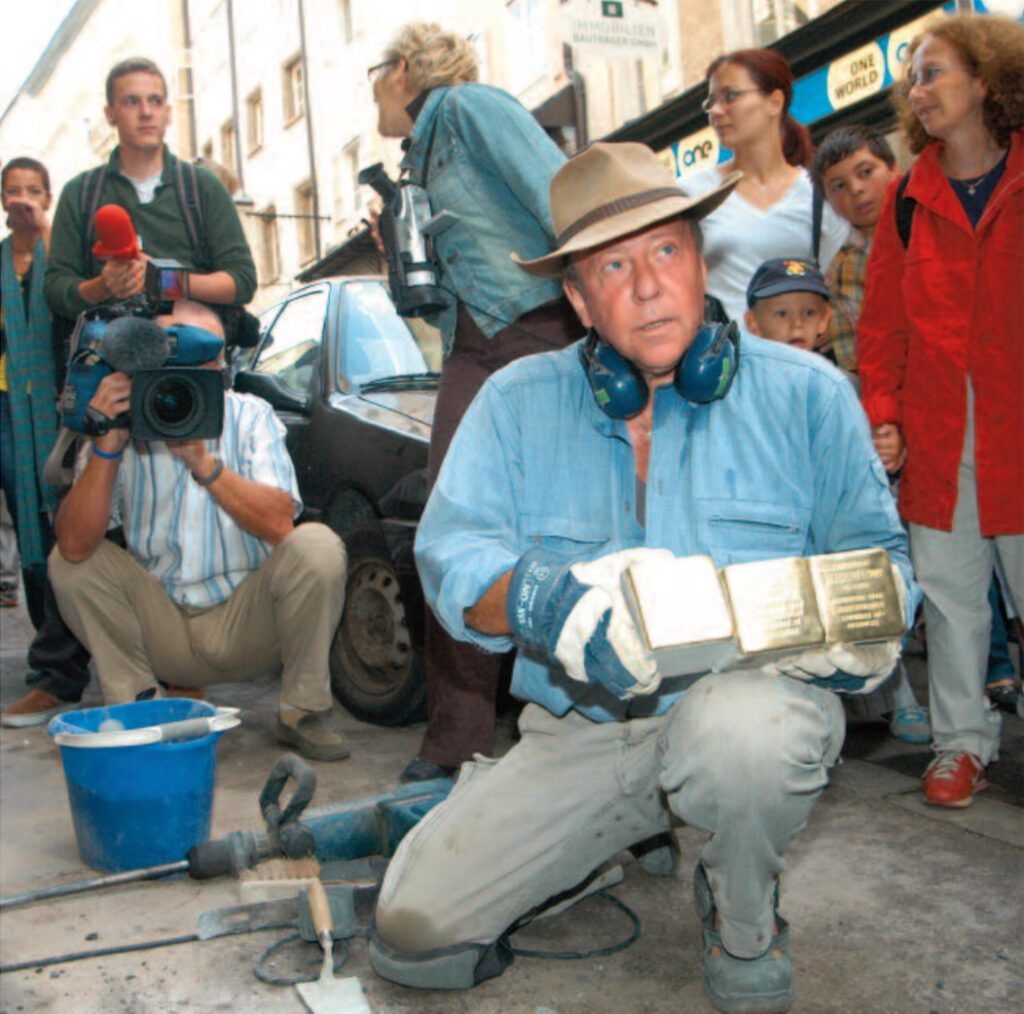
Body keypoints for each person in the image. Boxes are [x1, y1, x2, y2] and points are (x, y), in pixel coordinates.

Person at [368, 142, 918, 1014]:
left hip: (745, 709)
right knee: (415, 931)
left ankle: (741, 915)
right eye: (614, 267)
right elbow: (452, 556)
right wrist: (542, 598)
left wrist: (863, 627)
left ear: (702, 264)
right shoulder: (514, 402)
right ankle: (623, 832)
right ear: (580, 302)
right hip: (582, 731)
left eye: (667, 251)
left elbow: (884, 568)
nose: (650, 284)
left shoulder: (810, 396)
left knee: (743, 743)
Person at [2, 57, 257, 727]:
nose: (145, 111)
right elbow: (58, 290)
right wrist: (100, 290)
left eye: (155, 100)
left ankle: (179, 663)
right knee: (84, 510)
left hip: (187, 368)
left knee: (186, 505)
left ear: (168, 111)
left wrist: (165, 286)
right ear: (111, 113)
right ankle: (58, 676)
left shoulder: (201, 190)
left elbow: (242, 280)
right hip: (109, 371)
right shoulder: (87, 193)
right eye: (131, 101)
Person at [369, 23, 581, 782]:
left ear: (400, 71)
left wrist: (604, 309)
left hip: (540, 325)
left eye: (376, 80)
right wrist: (406, 263)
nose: (376, 99)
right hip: (474, 343)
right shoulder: (417, 158)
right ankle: (459, 739)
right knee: (452, 524)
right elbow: (447, 295)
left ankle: (590, 730)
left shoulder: (469, 109)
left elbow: (561, 196)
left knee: (563, 525)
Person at [46, 300, 348, 761]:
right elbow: (73, 544)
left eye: (201, 358)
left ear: (221, 363)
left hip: (249, 623)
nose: (183, 373)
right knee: (69, 566)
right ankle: (137, 710)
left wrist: (203, 462)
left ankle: (302, 711)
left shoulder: (250, 416)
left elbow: (280, 522)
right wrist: (106, 445)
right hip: (161, 623)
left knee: (318, 546)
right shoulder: (126, 424)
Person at [858, 14, 1024, 808]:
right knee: (953, 600)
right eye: (913, 81)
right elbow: (881, 326)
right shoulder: (905, 201)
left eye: (933, 73)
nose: (918, 92)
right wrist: (883, 413)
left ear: (986, 81)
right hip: (938, 430)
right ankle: (961, 744)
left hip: (1017, 425)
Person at [743, 256, 930, 744]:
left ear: (826, 322)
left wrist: (890, 447)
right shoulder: (739, 395)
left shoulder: (846, 389)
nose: (796, 325)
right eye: (780, 314)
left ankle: (897, 694)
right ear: (752, 324)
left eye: (808, 312)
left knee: (867, 599)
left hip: (837, 525)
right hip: (780, 534)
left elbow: (874, 466)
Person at [684, 48, 848, 322]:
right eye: (711, 102)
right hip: (726, 358)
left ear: (774, 102)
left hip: (797, 358)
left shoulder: (818, 194)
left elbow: (842, 283)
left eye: (730, 96)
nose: (715, 111)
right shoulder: (692, 194)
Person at [0, 157, 79, 721]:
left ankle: (72, 648)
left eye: (32, 190)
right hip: (8, 407)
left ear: (47, 197)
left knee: (66, 520)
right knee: (26, 515)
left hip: (62, 405)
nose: (22, 199)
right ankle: (50, 656)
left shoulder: (63, 255)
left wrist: (46, 233)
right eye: (12, 191)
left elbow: (75, 305)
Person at [811, 125, 899, 373]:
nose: (856, 189)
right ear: (829, 203)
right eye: (838, 186)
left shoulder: (932, 225)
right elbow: (855, 360)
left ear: (893, 169)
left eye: (866, 172)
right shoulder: (841, 271)